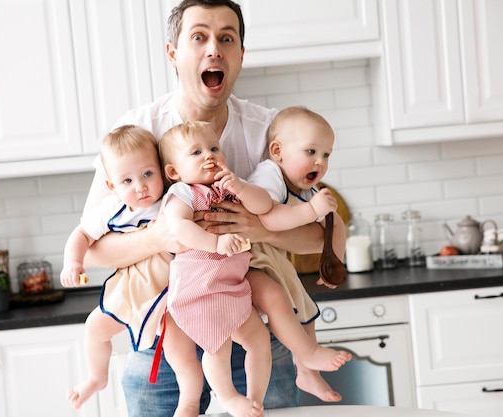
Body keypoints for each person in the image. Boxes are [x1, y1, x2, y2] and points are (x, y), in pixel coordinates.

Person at [81, 1, 348, 415]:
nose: (214, 50)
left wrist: (259, 229)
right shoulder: (136, 132)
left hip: (253, 334)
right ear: (173, 53)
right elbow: (92, 249)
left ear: (241, 54)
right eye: (199, 37)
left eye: (227, 38)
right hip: (164, 340)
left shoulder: (272, 132)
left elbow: (327, 235)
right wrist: (159, 236)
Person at [157, 121, 350, 417]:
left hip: (233, 287)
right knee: (216, 349)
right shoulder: (184, 193)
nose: (209, 155)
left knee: (259, 341)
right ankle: (230, 397)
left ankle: (254, 399)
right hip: (201, 290)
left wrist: (242, 187)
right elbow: (179, 227)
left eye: (213, 148)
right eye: (196, 152)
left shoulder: (227, 188)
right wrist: (215, 243)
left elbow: (264, 208)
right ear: (174, 172)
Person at [59, 125, 170, 409]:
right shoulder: (113, 208)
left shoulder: (173, 198)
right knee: (95, 327)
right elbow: (81, 235)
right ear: (112, 186)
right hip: (134, 286)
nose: (140, 187)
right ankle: (97, 377)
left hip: (173, 289)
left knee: (178, 351)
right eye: (127, 181)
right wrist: (72, 262)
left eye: (147, 174)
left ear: (163, 169)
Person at [246, 106, 349, 403]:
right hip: (248, 257)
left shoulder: (306, 187)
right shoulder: (270, 175)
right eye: (311, 151)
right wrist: (311, 211)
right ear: (277, 151)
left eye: (327, 154)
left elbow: (334, 224)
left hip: (271, 256)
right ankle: (307, 356)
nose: (320, 160)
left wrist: (332, 262)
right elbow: (265, 219)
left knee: (306, 312)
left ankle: (306, 371)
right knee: (281, 303)